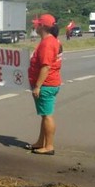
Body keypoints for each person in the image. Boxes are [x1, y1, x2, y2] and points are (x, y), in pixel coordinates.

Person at [27, 14, 63, 155]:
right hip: (50, 83)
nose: (35, 26)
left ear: (42, 26)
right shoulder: (52, 41)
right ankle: (41, 142)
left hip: (46, 85)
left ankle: (49, 146)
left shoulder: (47, 43)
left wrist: (38, 86)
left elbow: (46, 66)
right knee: (44, 115)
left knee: (47, 115)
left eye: (37, 24)